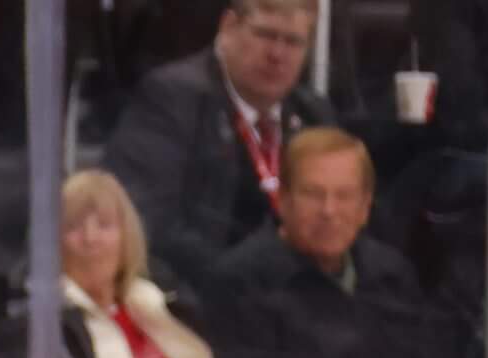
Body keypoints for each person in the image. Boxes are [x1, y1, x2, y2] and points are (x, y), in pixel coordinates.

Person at [103, 0, 332, 302]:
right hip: (206, 298)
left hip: (299, 301)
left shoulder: (312, 114)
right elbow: (145, 221)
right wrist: (245, 277)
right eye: (265, 35)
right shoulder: (173, 99)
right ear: (228, 27)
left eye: (292, 42)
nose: (277, 54)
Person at [203, 127, 463, 358]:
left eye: (345, 195)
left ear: (365, 207)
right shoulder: (239, 281)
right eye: (313, 194)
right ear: (282, 200)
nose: (329, 211)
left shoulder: (393, 275)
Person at [0, 169, 211, 358]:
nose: (90, 239)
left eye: (104, 225)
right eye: (73, 227)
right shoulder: (33, 328)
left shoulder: (165, 302)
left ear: (126, 238)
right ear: (52, 245)